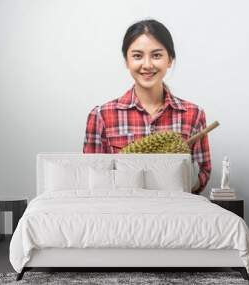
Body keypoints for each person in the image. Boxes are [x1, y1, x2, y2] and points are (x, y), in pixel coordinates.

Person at [83, 19, 211, 194]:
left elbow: (203, 173)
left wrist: (175, 181)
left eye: (156, 55)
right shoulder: (101, 116)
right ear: (126, 61)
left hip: (174, 212)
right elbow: (93, 177)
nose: (147, 65)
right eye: (137, 56)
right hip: (120, 214)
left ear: (170, 60)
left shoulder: (193, 115)